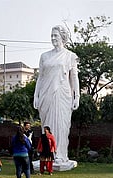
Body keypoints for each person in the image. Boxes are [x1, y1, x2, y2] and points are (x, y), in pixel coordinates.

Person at [34, 25, 80, 165]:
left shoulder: (70, 56)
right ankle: (47, 154)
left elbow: (74, 78)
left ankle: (60, 154)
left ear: (63, 38)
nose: (53, 38)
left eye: (56, 36)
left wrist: (76, 96)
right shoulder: (44, 56)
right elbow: (40, 77)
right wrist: (36, 95)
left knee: (61, 125)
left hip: (62, 93)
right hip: (45, 94)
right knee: (46, 125)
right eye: (52, 35)